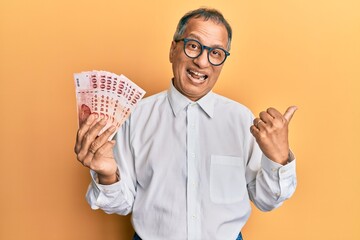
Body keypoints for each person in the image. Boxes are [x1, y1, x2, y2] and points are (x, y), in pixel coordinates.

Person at [75, 8, 298, 240]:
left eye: (216, 53)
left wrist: (278, 158)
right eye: (193, 45)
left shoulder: (242, 119)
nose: (202, 61)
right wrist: (107, 174)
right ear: (173, 50)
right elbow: (121, 204)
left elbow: (266, 200)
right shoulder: (135, 117)